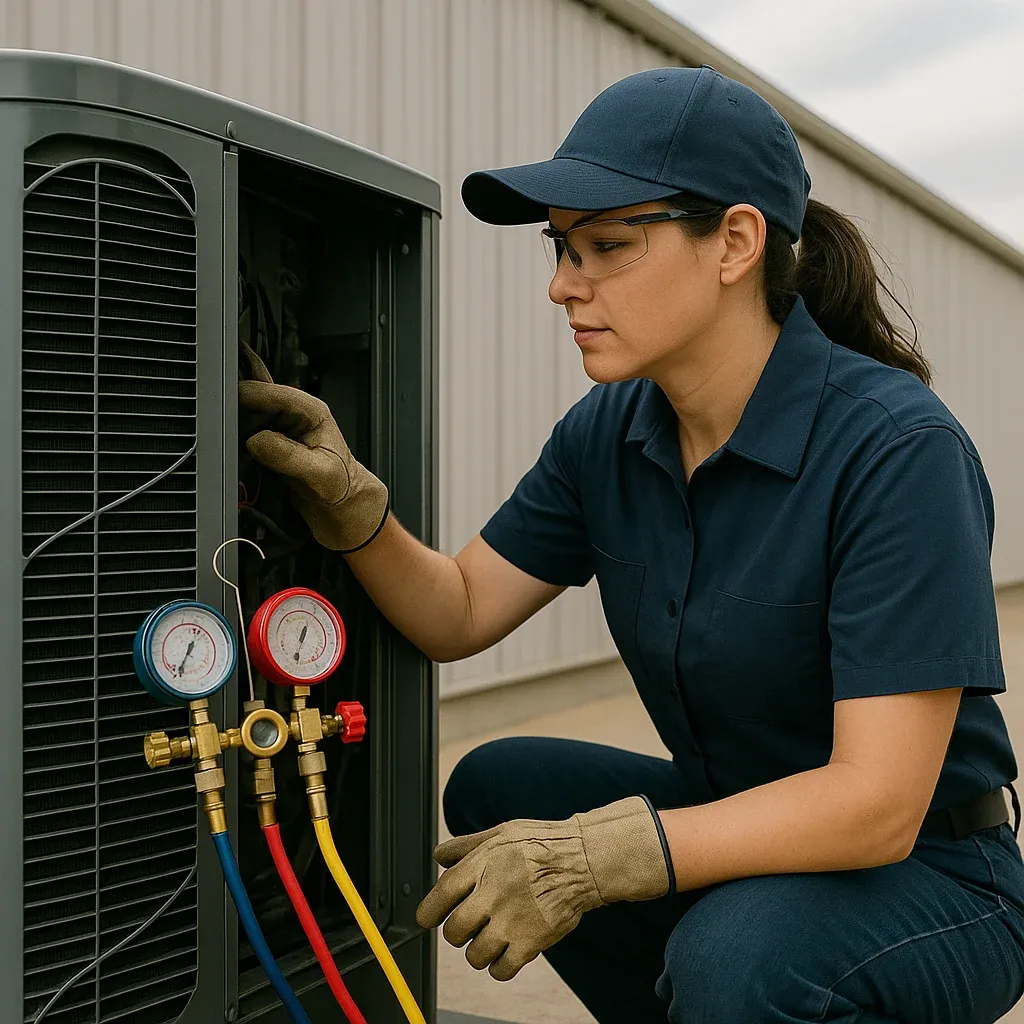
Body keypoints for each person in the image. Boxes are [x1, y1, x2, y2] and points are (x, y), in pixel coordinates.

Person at [238, 65, 1024, 1023]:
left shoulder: (897, 451)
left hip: (933, 875)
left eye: (607, 246)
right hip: (743, 836)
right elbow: (461, 610)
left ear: (735, 242)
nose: (562, 287)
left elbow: (877, 806)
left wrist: (599, 859)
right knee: (502, 788)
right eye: (561, 249)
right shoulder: (608, 433)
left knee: (737, 954)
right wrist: (356, 510)